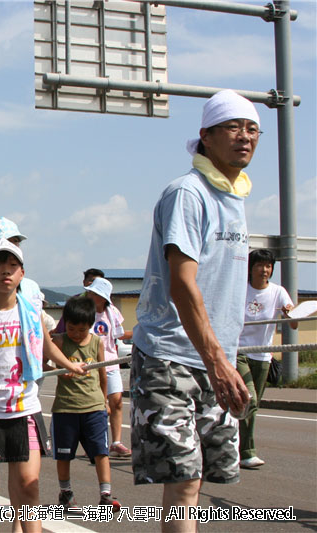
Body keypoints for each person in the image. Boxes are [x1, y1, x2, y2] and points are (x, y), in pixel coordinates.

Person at [131, 89, 255, 532]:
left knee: (199, 482)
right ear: (205, 135)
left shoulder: (234, 199)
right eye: (234, 127)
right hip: (170, 356)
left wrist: (224, 358)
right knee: (183, 482)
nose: (246, 137)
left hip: (213, 357)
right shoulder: (188, 193)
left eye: (253, 129)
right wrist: (219, 360)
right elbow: (183, 285)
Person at [0, 239, 87, 533]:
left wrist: (70, 365)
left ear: (22, 273)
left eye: (13, 266)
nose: (6, 271)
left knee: (29, 487)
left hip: (24, 410)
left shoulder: (30, 311)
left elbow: (45, 345)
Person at [51, 295, 120, 511]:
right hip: (65, 408)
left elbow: (102, 374)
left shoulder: (97, 342)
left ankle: (106, 494)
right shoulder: (60, 341)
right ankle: (66, 492)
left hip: (94, 407)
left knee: (101, 452)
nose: (77, 334)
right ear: (66, 324)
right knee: (64, 455)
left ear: (91, 326)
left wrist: (105, 401)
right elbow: (42, 361)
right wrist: (60, 372)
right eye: (72, 329)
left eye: (82, 330)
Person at [237, 249, 297, 468]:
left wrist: (290, 312)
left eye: (268, 266)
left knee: (251, 405)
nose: (264, 270)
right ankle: (245, 450)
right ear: (250, 268)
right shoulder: (239, 290)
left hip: (263, 356)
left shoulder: (278, 291)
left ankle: (242, 452)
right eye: (260, 265)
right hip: (239, 353)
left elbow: (293, 323)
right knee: (248, 398)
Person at [83, 277, 132, 458]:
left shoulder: (112, 312)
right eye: (89, 291)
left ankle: (116, 442)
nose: (89, 294)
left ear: (102, 297)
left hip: (111, 362)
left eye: (93, 293)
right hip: (90, 364)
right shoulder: (84, 310)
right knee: (95, 404)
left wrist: (139, 331)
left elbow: (119, 334)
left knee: (116, 402)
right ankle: (96, 441)